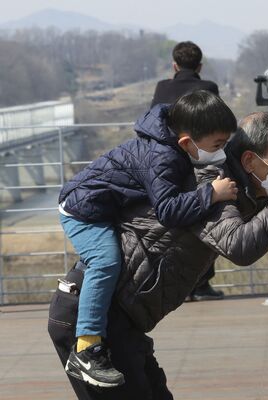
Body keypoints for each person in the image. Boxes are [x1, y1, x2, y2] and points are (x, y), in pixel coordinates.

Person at [48, 111, 268, 399]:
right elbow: (240, 246)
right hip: (94, 320)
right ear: (250, 160)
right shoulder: (212, 185)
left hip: (124, 319)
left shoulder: (246, 191)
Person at [56, 90, 238, 388]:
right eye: (218, 145)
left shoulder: (172, 146)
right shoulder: (163, 157)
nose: (222, 150)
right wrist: (212, 194)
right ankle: (86, 347)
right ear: (187, 143)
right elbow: (168, 210)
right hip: (83, 210)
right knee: (105, 262)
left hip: (104, 205)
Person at [151, 40, 224, 301]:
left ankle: (173, 286)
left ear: (174, 65)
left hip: (167, 163)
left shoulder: (162, 87)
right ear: (200, 66)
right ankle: (201, 285)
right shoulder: (208, 87)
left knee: (171, 226)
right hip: (199, 163)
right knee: (205, 219)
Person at [150, 41, 219, 107]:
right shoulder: (210, 87)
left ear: (175, 66)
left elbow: (154, 115)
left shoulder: (162, 86)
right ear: (200, 67)